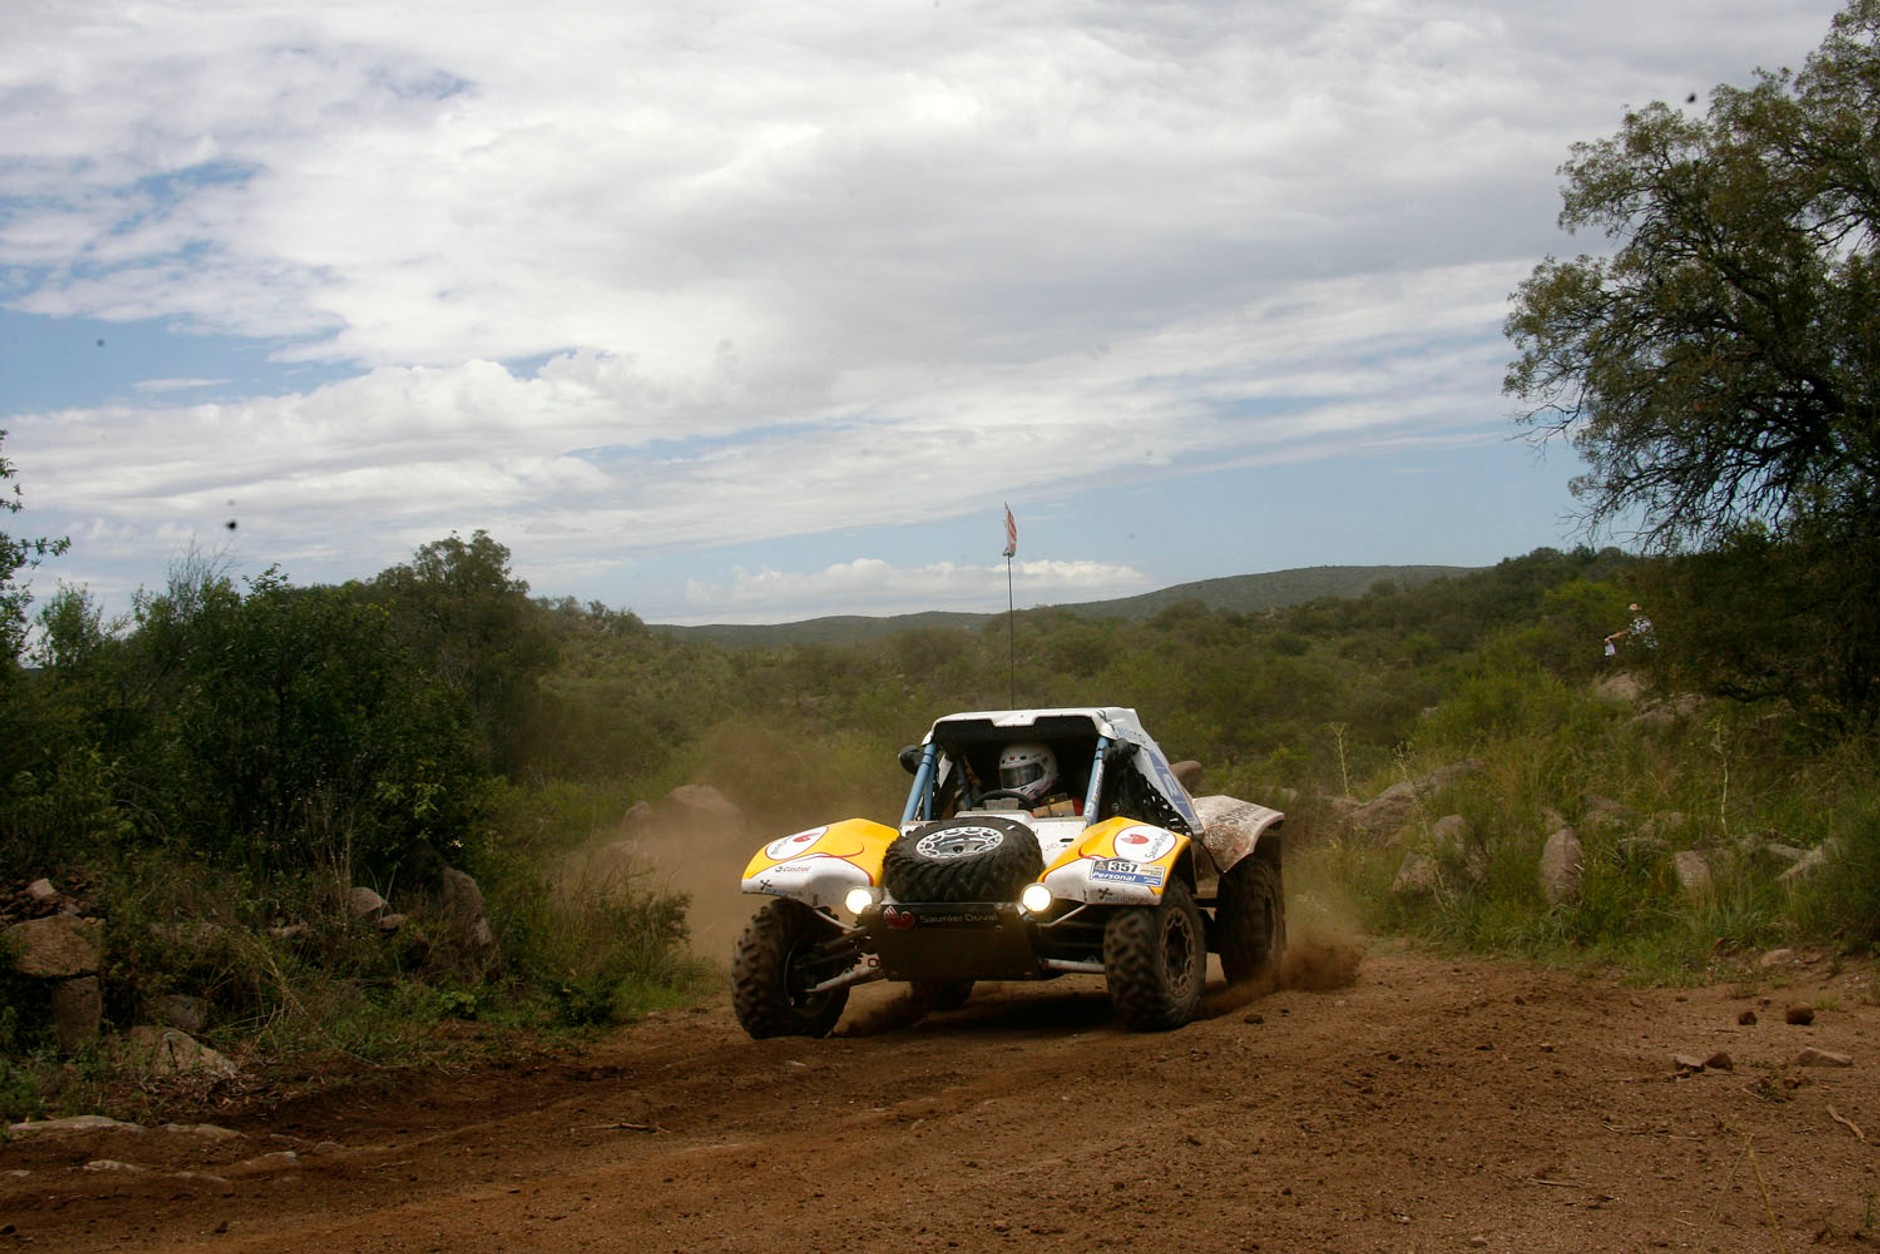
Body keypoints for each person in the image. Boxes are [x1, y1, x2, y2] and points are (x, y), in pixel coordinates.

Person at [995, 741, 1081, 815]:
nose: (1017, 781)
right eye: (1011, 778)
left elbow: (1075, 813)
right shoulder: (1003, 807)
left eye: (1026, 775)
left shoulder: (1072, 804)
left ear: (1047, 768)